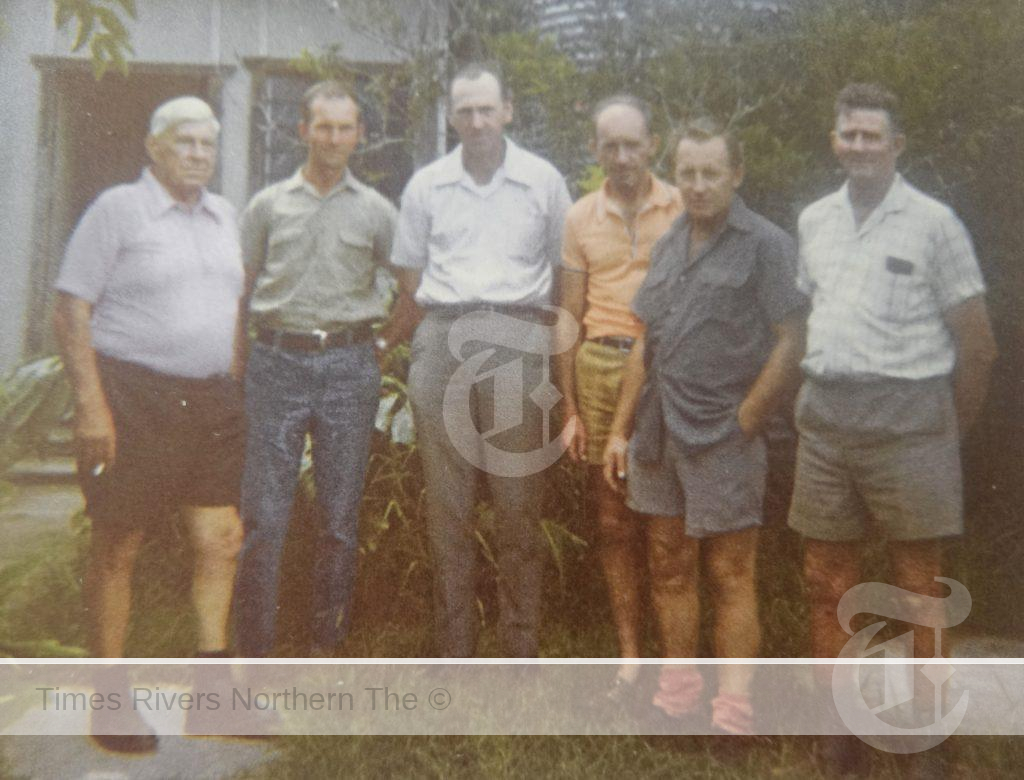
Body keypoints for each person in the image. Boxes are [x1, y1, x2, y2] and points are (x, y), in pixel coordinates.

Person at [787, 83, 997, 773]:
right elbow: (812, 318)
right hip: (828, 419)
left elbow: (978, 344)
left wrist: (946, 433)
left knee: (918, 586)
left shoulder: (934, 223)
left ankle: (927, 734)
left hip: (912, 421)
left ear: (897, 145)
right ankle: (839, 732)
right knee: (825, 580)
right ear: (834, 141)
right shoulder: (814, 219)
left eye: (871, 135)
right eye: (848, 134)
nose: (858, 146)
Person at [53, 96, 246, 752]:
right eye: (185, 142)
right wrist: (90, 404)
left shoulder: (224, 216)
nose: (198, 154)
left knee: (220, 540)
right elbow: (71, 309)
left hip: (212, 401)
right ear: (154, 148)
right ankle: (108, 702)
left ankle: (213, 697)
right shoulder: (116, 209)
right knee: (118, 544)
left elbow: (233, 305)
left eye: (207, 145)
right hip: (131, 396)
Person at [603, 118, 807, 735]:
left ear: (736, 174)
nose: (696, 185)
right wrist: (620, 430)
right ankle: (679, 695)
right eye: (686, 172)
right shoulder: (669, 242)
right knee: (668, 562)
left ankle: (733, 712)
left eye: (710, 172)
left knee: (730, 571)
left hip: (724, 434)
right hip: (659, 433)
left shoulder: (767, 244)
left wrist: (746, 420)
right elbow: (646, 344)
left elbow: (793, 341)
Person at [390, 62, 572, 657]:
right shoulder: (426, 185)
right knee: (448, 505)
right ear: (450, 118)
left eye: (486, 109)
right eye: (464, 111)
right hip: (443, 334)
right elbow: (410, 281)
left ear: (508, 110)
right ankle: (455, 646)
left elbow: (563, 272)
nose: (476, 121)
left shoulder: (543, 182)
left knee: (519, 504)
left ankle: (520, 643)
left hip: (517, 334)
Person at [232, 81, 400, 658]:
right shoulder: (269, 205)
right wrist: (240, 361)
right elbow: (243, 287)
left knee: (337, 519)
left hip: (349, 369)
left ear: (359, 135)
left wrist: (380, 345)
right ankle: (253, 653)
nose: (333, 138)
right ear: (302, 130)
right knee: (265, 520)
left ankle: (325, 646)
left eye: (344, 127)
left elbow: (412, 287)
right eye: (322, 126)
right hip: (276, 364)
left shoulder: (377, 211)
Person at [554, 94, 683, 702]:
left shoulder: (683, 206)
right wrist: (570, 409)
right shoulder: (580, 216)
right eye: (611, 145)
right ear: (595, 150)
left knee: (668, 518)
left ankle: (677, 651)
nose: (624, 155)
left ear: (653, 144)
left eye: (634, 143)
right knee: (612, 521)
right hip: (600, 364)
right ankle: (631, 652)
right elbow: (568, 315)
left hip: (669, 368)